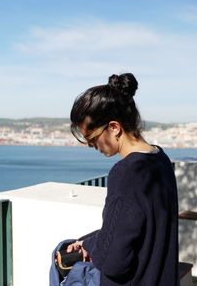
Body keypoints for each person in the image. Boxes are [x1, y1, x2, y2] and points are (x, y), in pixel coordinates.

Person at [67, 73, 179, 285]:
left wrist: (91, 246)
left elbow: (114, 262)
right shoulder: (160, 159)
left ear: (114, 127)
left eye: (92, 138)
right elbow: (134, 230)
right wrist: (88, 242)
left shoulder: (126, 173)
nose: (92, 146)